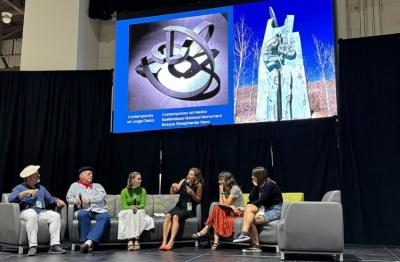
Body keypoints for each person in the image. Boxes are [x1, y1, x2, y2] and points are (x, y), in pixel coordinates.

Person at [8, 165, 66, 256]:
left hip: (41, 211)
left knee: (56, 216)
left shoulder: (41, 188)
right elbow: (11, 199)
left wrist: (57, 200)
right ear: (30, 177)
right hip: (26, 211)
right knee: (32, 215)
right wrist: (25, 192)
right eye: (36, 174)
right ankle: (33, 246)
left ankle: (54, 245)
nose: (39, 175)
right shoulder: (19, 188)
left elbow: (50, 198)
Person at [233, 166, 283, 253]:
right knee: (249, 214)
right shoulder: (260, 185)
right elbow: (251, 198)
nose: (252, 177)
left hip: (275, 210)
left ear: (259, 176)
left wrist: (249, 206)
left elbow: (262, 200)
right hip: (265, 209)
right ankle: (251, 241)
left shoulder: (270, 185)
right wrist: (255, 187)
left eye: (253, 175)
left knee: (250, 217)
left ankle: (248, 238)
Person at [192, 171, 244, 250]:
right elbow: (222, 203)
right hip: (228, 210)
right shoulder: (223, 188)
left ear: (227, 180)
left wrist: (222, 192)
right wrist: (222, 192)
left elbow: (226, 204)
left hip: (237, 210)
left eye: (221, 180)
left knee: (216, 208)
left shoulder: (235, 188)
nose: (218, 182)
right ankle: (215, 242)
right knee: (217, 209)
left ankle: (206, 231)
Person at [66, 166, 110, 253]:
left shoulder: (97, 186)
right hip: (84, 209)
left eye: (92, 174)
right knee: (83, 214)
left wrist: (90, 201)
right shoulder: (74, 185)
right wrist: (75, 200)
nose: (91, 175)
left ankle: (88, 242)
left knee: (105, 216)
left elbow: (102, 196)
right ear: (81, 176)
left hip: (98, 210)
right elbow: (68, 197)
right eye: (88, 174)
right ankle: (86, 243)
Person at [159, 167, 204, 251]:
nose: (189, 175)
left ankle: (171, 242)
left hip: (188, 208)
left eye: (191, 174)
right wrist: (172, 187)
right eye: (189, 174)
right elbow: (173, 193)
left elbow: (198, 200)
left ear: (196, 177)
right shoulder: (183, 181)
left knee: (175, 216)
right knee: (168, 215)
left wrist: (192, 194)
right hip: (179, 205)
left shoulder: (198, 185)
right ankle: (164, 242)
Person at [117, 171, 154, 251]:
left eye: (140, 179)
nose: (141, 180)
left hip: (139, 210)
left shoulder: (143, 190)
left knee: (137, 213)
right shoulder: (124, 191)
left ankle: (136, 239)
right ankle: (130, 239)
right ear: (132, 180)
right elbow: (124, 206)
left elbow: (142, 205)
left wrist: (136, 207)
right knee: (131, 213)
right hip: (127, 211)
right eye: (139, 179)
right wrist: (131, 207)